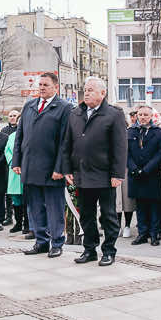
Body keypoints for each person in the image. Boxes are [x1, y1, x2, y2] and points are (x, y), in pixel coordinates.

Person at [63, 77, 127, 266]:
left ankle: (109, 251)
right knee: (86, 215)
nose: (87, 92)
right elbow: (67, 143)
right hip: (81, 174)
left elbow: (120, 146)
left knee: (108, 215)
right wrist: (67, 168)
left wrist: (117, 174)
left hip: (105, 175)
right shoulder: (76, 113)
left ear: (103, 93)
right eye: (85, 89)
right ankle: (89, 249)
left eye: (91, 89)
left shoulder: (113, 114)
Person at [12, 72, 72, 258]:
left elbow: (65, 141)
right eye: (40, 84)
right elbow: (19, 136)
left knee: (54, 207)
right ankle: (41, 241)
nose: (42, 88)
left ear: (56, 87)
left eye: (46, 85)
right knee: (34, 207)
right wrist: (17, 161)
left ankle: (56, 242)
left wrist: (60, 168)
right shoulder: (30, 105)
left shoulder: (64, 108)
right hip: (30, 166)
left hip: (51, 168)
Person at [128, 105, 161, 246]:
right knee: (140, 205)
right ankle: (142, 233)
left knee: (154, 205)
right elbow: (127, 153)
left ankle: (154, 233)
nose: (143, 117)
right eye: (140, 114)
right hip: (135, 174)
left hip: (152, 174)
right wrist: (133, 168)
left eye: (146, 115)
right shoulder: (131, 131)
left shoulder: (159, 132)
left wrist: (146, 169)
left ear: (151, 116)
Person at [118, 110, 137, 237]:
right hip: (113, 169)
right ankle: (117, 225)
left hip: (126, 169)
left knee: (127, 200)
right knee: (116, 200)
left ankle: (127, 225)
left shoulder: (129, 133)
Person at [0, 109, 20, 226]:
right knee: (9, 193)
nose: (12, 117)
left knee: (21, 194)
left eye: (14, 116)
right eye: (10, 116)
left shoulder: (24, 130)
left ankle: (23, 220)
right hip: (9, 166)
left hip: (22, 167)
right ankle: (9, 216)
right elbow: (5, 149)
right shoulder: (5, 131)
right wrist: (11, 161)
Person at [5, 127, 25, 232]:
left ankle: (28, 225)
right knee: (16, 198)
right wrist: (13, 162)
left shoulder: (31, 134)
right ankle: (18, 223)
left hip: (27, 169)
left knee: (27, 199)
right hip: (15, 171)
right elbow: (7, 150)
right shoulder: (12, 136)